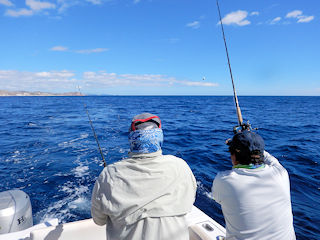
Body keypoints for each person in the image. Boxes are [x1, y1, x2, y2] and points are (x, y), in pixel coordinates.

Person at [91, 113, 197, 240]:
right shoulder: (181, 166)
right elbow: (190, 202)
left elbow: (99, 220)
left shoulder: (109, 174)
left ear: (132, 138)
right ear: (159, 137)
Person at [212, 130, 296, 240]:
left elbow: (216, 198)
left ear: (234, 156)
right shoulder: (281, 173)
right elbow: (268, 158)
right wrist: (250, 140)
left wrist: (245, 139)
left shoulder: (224, 180)